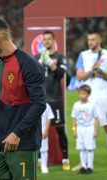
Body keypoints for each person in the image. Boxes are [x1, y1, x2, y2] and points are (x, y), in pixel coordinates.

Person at [0, 18, 46, 180]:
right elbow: (0, 106)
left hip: (23, 144)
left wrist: (17, 133)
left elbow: (39, 104)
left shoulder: (29, 64)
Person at [76, 31, 107, 172]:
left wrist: (101, 72)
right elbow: (79, 76)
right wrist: (91, 70)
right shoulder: (83, 55)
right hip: (88, 99)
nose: (90, 42)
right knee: (85, 129)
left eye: (93, 39)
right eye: (88, 40)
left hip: (103, 97)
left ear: (99, 40)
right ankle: (85, 163)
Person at [35, 31, 70, 170]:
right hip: (39, 99)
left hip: (55, 98)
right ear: (42, 41)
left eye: (49, 39)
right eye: (45, 39)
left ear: (54, 40)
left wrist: (50, 63)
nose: (47, 41)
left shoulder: (60, 57)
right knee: (36, 128)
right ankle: (37, 159)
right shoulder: (37, 57)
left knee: (60, 129)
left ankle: (65, 159)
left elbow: (63, 75)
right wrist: (40, 61)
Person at [71, 84, 99, 174]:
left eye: (84, 93)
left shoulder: (92, 105)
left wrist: (96, 130)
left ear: (88, 94)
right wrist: (74, 129)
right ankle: (83, 166)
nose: (81, 95)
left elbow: (96, 118)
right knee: (81, 148)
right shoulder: (76, 105)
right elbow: (74, 118)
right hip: (80, 129)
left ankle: (90, 167)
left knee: (89, 148)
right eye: (80, 93)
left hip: (89, 128)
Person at [39, 103, 54, 174]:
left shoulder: (46, 105)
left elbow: (49, 118)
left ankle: (44, 166)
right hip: (32, 132)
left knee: (44, 149)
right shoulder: (29, 103)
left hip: (42, 131)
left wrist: (46, 130)